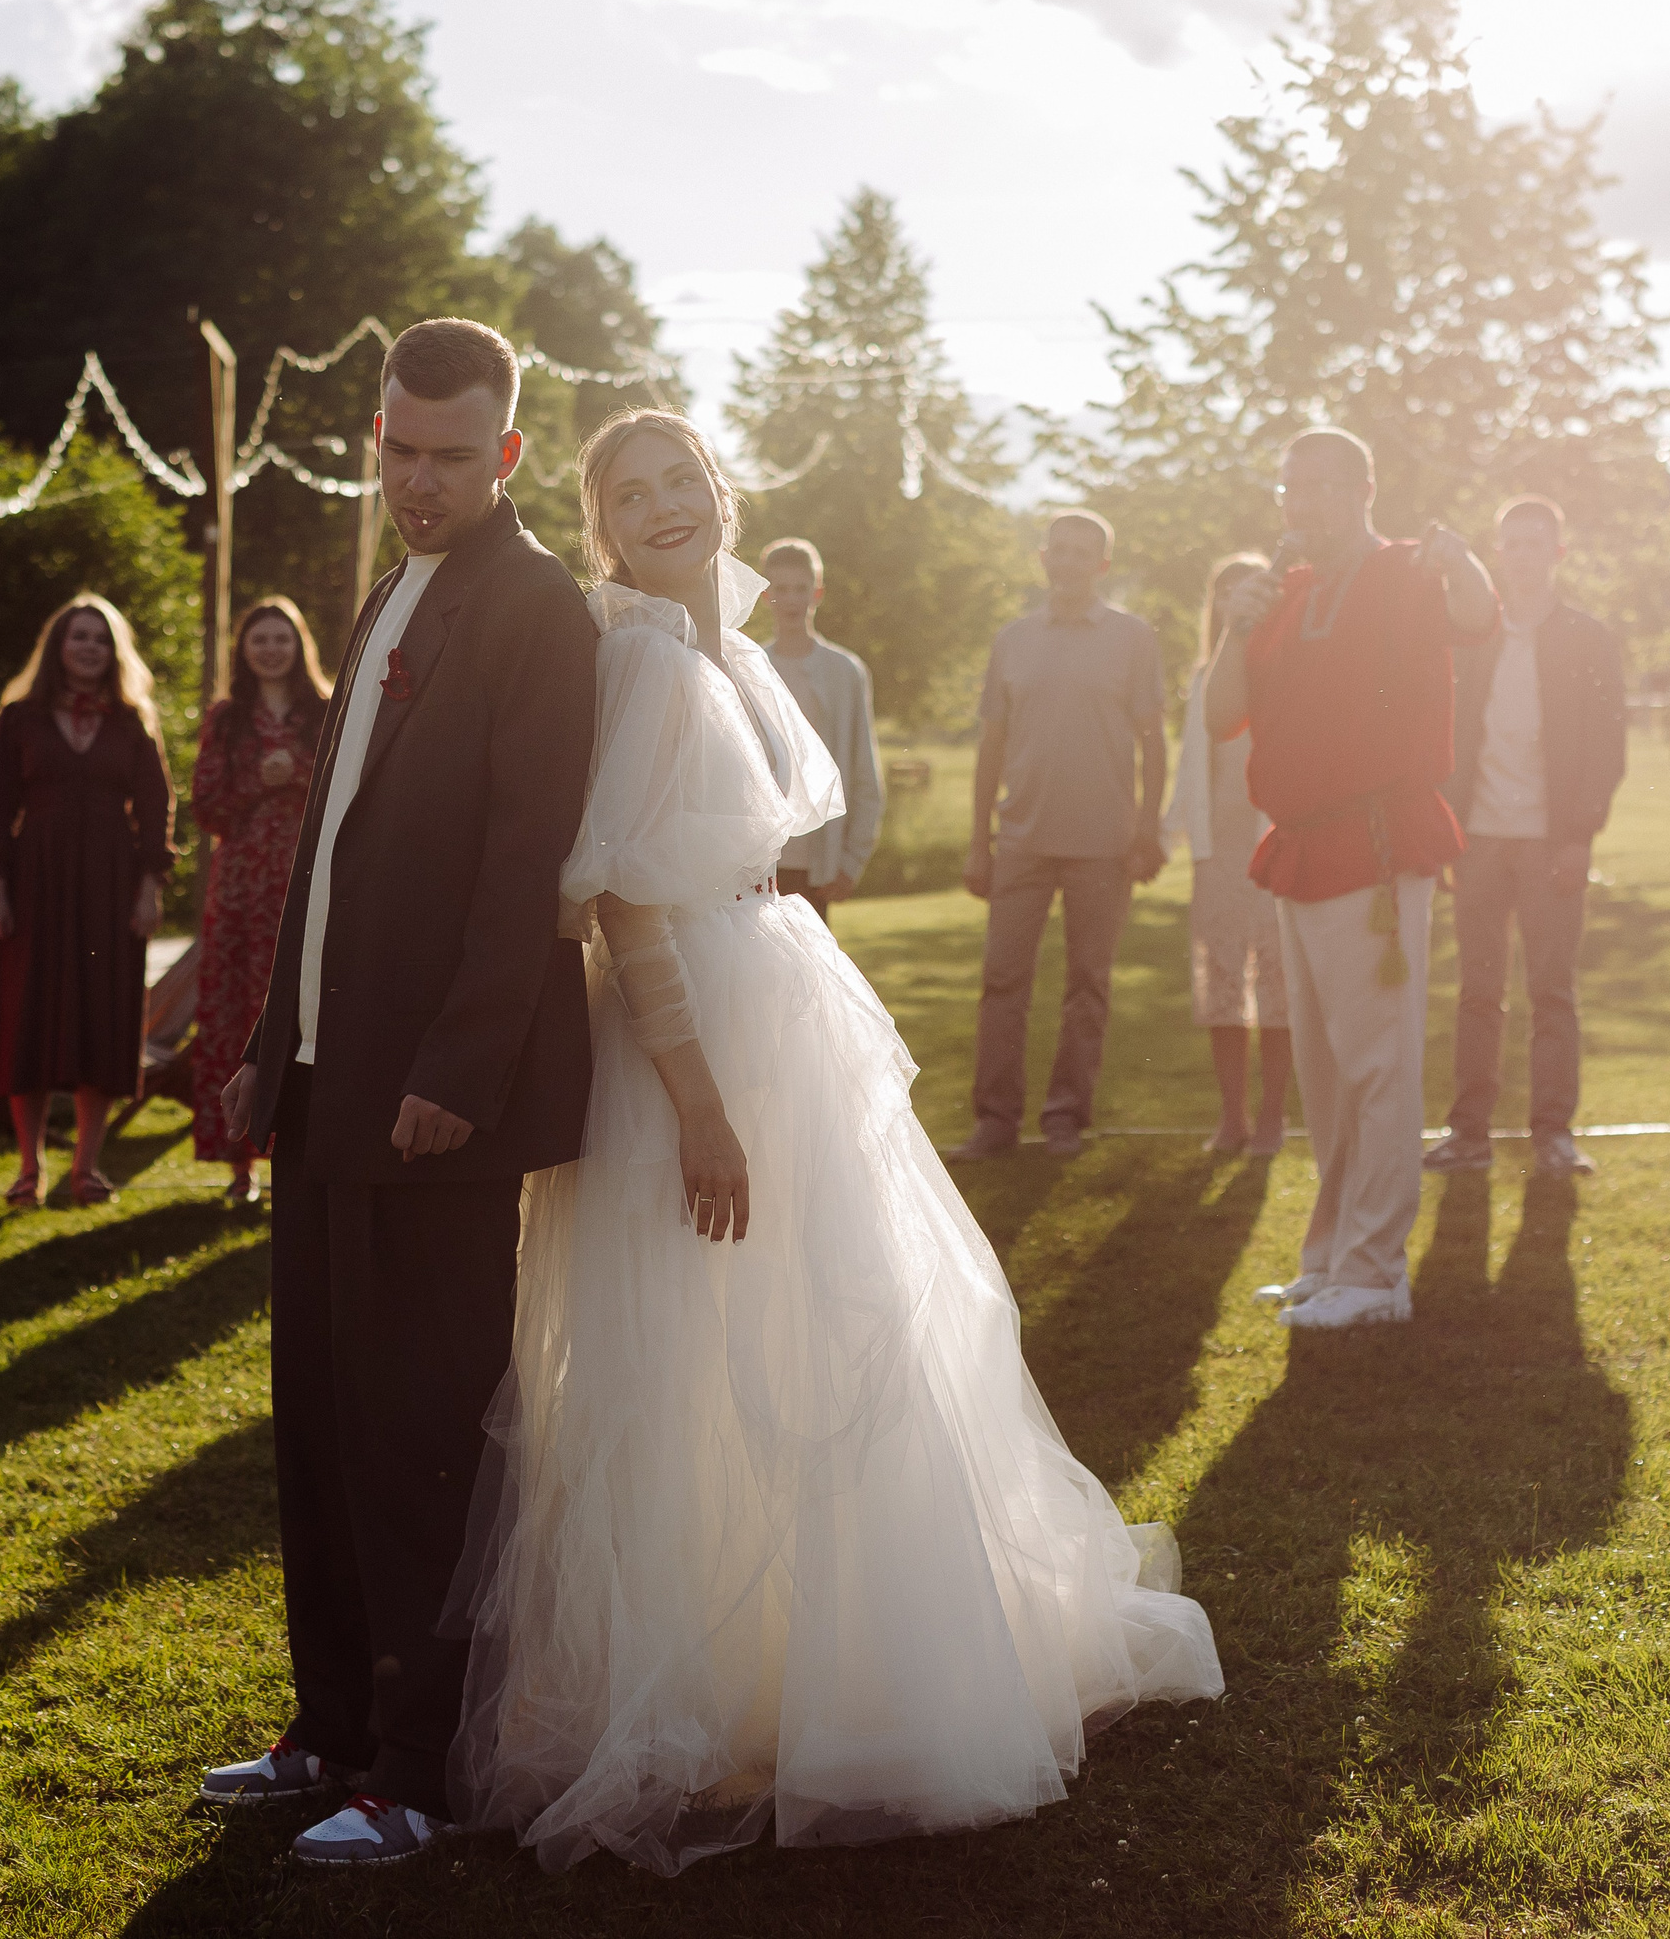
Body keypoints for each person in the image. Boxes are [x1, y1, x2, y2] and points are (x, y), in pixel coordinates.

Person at [448, 409, 1221, 1876]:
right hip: (699, 1043)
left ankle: (834, 1666)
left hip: (776, 997)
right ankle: (714, 1680)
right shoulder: (639, 657)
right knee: (695, 1349)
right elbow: (621, 898)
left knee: (829, 1332)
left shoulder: (728, 651)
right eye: (632, 492)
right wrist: (699, 1105)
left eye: (684, 479)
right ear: (599, 525)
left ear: (723, 496)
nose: (666, 505)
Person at [200, 317, 600, 1867]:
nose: (417, 477)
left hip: (436, 1109)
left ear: (502, 454)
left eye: (449, 454)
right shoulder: (381, 592)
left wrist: (460, 1069)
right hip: (319, 1083)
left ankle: (424, 1772)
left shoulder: (536, 608)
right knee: (320, 1425)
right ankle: (334, 1732)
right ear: (374, 433)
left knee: (424, 1436)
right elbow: (330, 850)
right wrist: (259, 1047)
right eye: (398, 446)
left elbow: (524, 867)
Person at [1206, 430, 1499, 1329]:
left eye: (1323, 486)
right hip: (1298, 848)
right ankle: (1332, 1258)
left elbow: (1480, 619)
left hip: (1373, 852)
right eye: (1293, 488)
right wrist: (1235, 629)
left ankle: (1376, 1275)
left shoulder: (1409, 567)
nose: (1304, 505)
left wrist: (1469, 563)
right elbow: (1220, 718)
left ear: (1366, 488)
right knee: (1327, 1076)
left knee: (1379, 1068)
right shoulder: (1285, 592)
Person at [951, 510, 1166, 1161]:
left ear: (1102, 566)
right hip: (1021, 840)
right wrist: (978, 840)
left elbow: (1154, 743)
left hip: (1104, 844)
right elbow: (991, 746)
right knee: (1002, 983)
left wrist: (1148, 826)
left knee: (1087, 986)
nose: (1070, 562)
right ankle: (996, 1123)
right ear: (1043, 558)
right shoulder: (1012, 640)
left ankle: (1066, 1118)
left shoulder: (1133, 639)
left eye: (1084, 553)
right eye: (1060, 551)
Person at [1427, 497, 1627, 1177]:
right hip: (1477, 839)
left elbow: (1606, 746)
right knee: (1478, 992)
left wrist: (1579, 837)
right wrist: (1449, 831)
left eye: (1538, 543)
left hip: (1551, 842)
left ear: (1558, 553)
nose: (1525, 555)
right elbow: (1447, 734)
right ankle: (1469, 1135)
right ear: (1499, 550)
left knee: (1552, 989)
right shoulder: (1472, 632)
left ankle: (1552, 1135)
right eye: (1513, 543)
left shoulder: (1586, 637)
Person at [0, 595, 177, 1209]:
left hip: (111, 886)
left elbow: (158, 810)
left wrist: (148, 889)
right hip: (36, 882)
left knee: (103, 1018)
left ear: (115, 652)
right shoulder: (19, 721)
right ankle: (27, 1167)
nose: (89, 647)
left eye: (101, 639)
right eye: (78, 637)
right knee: (27, 1017)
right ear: (57, 647)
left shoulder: (132, 723)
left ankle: (85, 1167)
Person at [188, 598, 333, 1205]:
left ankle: (296, 1159)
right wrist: (257, 782)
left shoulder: (324, 711)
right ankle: (239, 1166)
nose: (271, 649)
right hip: (243, 886)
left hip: (306, 883)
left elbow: (344, 789)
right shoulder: (227, 720)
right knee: (235, 1011)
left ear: (299, 645)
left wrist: (296, 770)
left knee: (303, 1011)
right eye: (259, 640)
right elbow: (205, 804)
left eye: (281, 639)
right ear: (243, 651)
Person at [1163, 553, 1292, 1156]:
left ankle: (1272, 1117)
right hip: (1218, 853)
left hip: (1276, 842)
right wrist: (1167, 838)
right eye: (1223, 592)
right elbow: (1193, 771)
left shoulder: (1284, 666)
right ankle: (1232, 1116)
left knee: (1277, 980)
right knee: (1221, 982)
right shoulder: (1202, 680)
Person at [760, 537, 883, 917]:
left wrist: (851, 861)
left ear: (818, 593)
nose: (792, 599)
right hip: (763, 862)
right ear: (766, 595)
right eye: (781, 589)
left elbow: (864, 769)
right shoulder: (750, 667)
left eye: (801, 588)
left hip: (820, 862)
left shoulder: (845, 672)